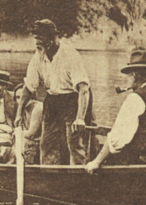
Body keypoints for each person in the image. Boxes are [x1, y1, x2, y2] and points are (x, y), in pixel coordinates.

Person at [15, 19, 94, 165]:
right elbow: (28, 86)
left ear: (51, 39)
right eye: (36, 38)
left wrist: (80, 118)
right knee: (46, 143)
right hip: (53, 99)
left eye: (40, 38)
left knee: (75, 144)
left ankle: (77, 178)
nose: (37, 43)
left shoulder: (70, 55)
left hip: (74, 99)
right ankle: (49, 177)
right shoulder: (38, 56)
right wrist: (19, 114)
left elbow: (84, 89)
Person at [14, 82, 43, 165]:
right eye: (17, 98)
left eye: (22, 97)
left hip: (39, 145)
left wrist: (15, 132)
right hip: (29, 143)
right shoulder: (22, 110)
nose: (20, 101)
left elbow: (31, 133)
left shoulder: (37, 107)